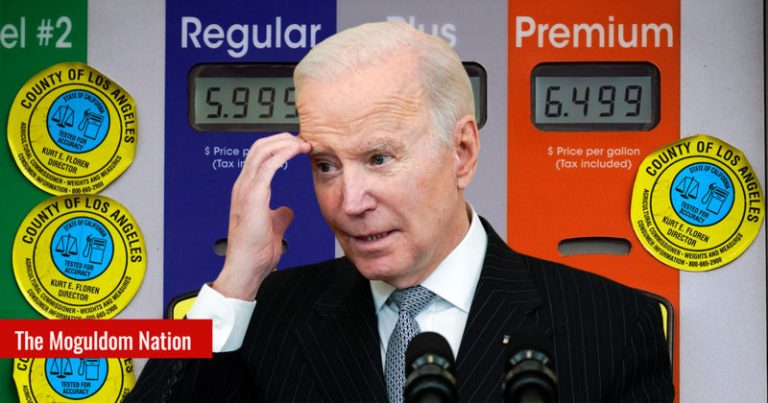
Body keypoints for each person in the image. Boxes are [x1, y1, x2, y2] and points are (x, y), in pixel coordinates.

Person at [128, 21, 673, 402]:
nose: (349, 202)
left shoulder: (613, 326)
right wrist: (236, 283)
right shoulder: (267, 316)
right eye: (325, 165)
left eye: (379, 158)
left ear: (462, 152)